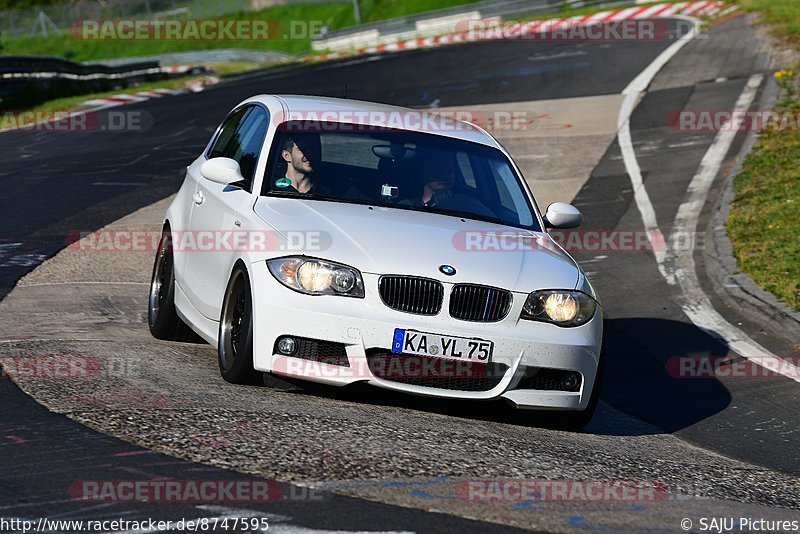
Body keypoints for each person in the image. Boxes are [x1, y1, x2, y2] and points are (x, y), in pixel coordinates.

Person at [402, 151, 495, 218]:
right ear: (422, 174)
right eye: (437, 169)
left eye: (449, 170)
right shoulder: (404, 207)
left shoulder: (469, 205)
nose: (444, 174)